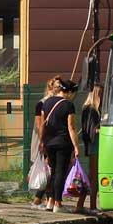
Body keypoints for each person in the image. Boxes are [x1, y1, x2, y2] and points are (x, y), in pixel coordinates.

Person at [37, 77, 75, 213]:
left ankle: (50, 202)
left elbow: (42, 124)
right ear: (69, 92)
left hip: (49, 142)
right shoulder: (68, 105)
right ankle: (58, 203)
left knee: (53, 172)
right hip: (63, 142)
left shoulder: (46, 103)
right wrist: (76, 146)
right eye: (73, 94)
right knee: (60, 173)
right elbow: (71, 127)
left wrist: (41, 141)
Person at [68, 81, 105, 216]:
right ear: (96, 94)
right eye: (101, 94)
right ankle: (92, 205)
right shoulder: (91, 110)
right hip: (95, 145)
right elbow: (92, 130)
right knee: (93, 176)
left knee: (92, 175)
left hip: (95, 144)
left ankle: (82, 204)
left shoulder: (92, 109)